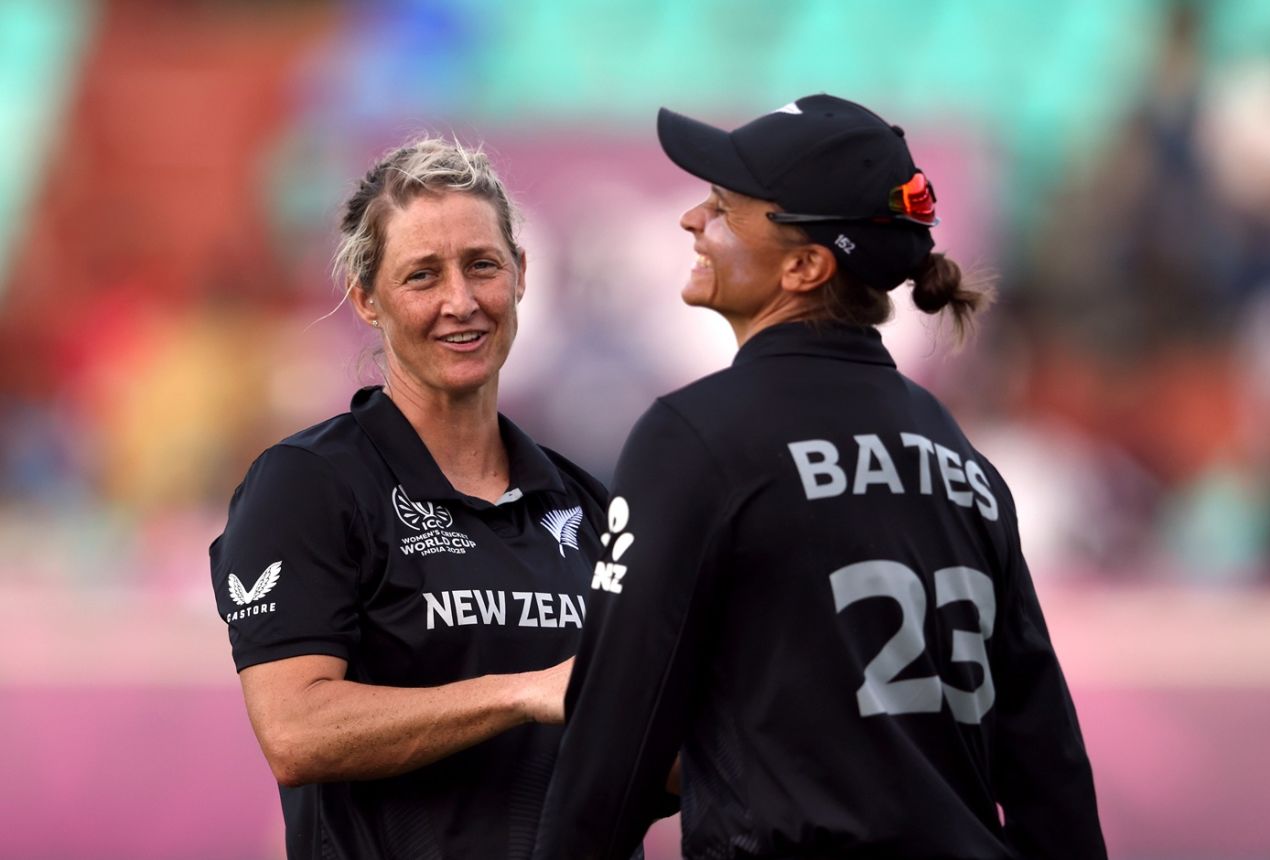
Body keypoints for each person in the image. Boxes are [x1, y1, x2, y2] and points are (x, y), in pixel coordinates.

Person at [534, 94, 1107, 859]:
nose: (692, 221)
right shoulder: (959, 454)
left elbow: (614, 734)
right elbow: (1047, 761)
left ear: (804, 267)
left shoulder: (694, 438)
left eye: (724, 208)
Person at [210, 136, 611, 859]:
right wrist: (521, 693)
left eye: (482, 265)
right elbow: (296, 732)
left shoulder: (585, 501)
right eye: (423, 275)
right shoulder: (307, 484)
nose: (461, 302)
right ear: (367, 299)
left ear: (521, 274)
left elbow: (639, 751)